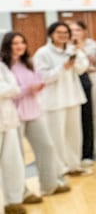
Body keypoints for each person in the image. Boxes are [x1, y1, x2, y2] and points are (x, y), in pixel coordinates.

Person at [2, 33, 70, 197]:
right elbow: (8, 90)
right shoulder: (4, 66)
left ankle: (49, 184)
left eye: (22, 42)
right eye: (15, 43)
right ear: (7, 46)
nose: (19, 46)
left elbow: (38, 79)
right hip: (15, 115)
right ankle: (21, 192)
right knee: (17, 157)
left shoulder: (28, 63)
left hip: (33, 111)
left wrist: (38, 85)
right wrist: (27, 89)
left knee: (46, 147)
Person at [33, 22, 89, 176]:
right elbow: (43, 77)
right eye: (59, 32)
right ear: (51, 34)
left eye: (66, 32)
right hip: (54, 102)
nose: (63, 35)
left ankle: (74, 165)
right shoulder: (42, 53)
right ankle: (58, 169)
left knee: (74, 135)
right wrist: (62, 68)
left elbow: (82, 68)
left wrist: (76, 55)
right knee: (56, 137)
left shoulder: (72, 50)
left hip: (73, 98)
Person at [69, 21, 96, 157]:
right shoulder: (67, 45)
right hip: (75, 80)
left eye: (78, 29)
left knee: (94, 111)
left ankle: (93, 144)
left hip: (92, 77)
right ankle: (79, 145)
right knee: (78, 114)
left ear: (84, 31)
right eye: (72, 30)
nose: (75, 32)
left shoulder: (92, 44)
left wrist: (94, 60)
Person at [0, 61, 27, 214]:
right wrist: (9, 88)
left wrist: (9, 88)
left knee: (12, 162)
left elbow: (16, 87)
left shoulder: (2, 66)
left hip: (8, 119)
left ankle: (14, 201)